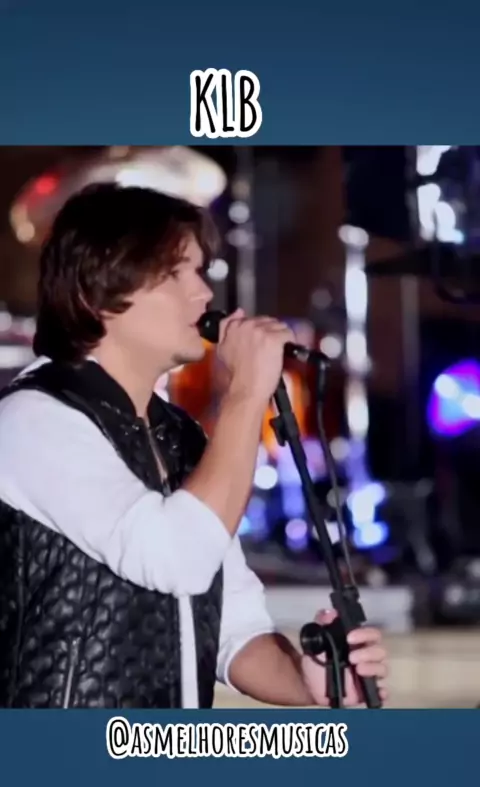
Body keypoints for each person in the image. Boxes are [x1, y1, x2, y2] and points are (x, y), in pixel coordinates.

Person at [0, 182, 388, 709]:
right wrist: (246, 392)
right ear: (96, 292)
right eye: (175, 273)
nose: (204, 293)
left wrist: (308, 680)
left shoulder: (181, 436)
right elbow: (172, 557)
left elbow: (234, 628)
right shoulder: (34, 419)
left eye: (200, 271)